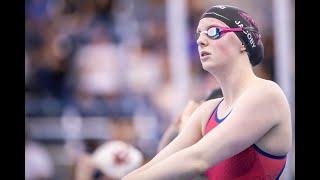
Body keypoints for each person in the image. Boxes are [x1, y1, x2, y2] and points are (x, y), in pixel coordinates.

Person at [122, 5, 292, 180]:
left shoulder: (267, 95)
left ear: (243, 42)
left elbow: (198, 159)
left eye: (213, 32)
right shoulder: (207, 111)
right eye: (199, 34)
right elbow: (158, 163)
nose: (200, 40)